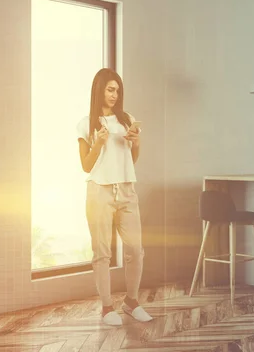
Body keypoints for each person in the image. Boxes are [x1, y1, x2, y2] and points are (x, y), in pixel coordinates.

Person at [76, 68, 152, 326]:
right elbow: (86, 165)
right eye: (110, 89)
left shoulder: (127, 119)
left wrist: (137, 142)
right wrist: (98, 143)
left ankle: (131, 302)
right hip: (99, 191)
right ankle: (107, 307)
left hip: (127, 190)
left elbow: (131, 160)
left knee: (136, 251)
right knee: (102, 253)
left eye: (117, 90)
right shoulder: (86, 123)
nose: (114, 94)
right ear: (99, 90)